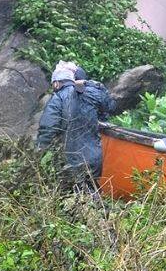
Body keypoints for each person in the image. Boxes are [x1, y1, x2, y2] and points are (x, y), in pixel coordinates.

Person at [36, 61, 115, 195]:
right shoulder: (91, 94)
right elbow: (110, 106)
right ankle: (101, 213)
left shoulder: (58, 98)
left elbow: (47, 129)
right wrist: (91, 85)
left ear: (56, 83)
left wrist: (37, 154)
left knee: (73, 197)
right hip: (94, 158)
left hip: (71, 159)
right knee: (90, 191)